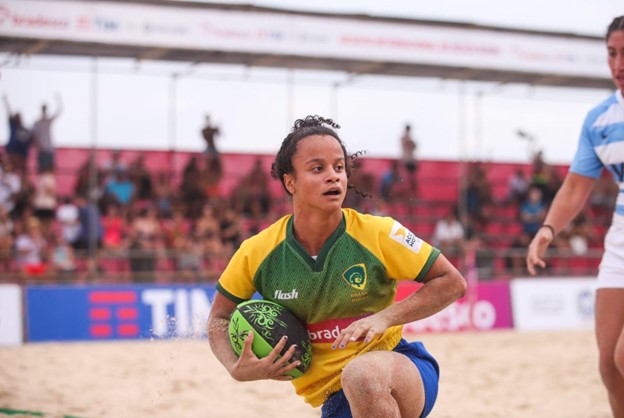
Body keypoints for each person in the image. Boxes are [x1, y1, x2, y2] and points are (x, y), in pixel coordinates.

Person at [207, 115, 466, 418]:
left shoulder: (379, 233)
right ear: (290, 182)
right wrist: (234, 367)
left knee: (362, 374)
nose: (334, 176)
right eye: (318, 168)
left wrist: (386, 317)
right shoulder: (257, 252)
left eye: (339, 167)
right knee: (357, 381)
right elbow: (219, 319)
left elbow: (452, 282)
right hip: (333, 400)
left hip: (398, 367)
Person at [526, 16, 624, 418]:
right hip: (620, 241)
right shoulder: (599, 119)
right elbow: (576, 187)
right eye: (612, 54)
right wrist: (547, 229)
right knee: (607, 364)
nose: (618, 64)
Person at [32, 94, 62, 173]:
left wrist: (58, 100)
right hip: (42, 151)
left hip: (49, 150)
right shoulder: (37, 123)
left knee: (50, 171)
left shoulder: (47, 121)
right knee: (42, 172)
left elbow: (59, 111)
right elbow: (33, 137)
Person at [2, 94, 32, 176]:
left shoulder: (26, 130)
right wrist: (6, 101)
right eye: (17, 117)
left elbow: (31, 140)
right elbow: (9, 112)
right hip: (13, 154)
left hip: (22, 156)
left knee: (22, 173)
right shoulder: (13, 126)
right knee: (10, 172)